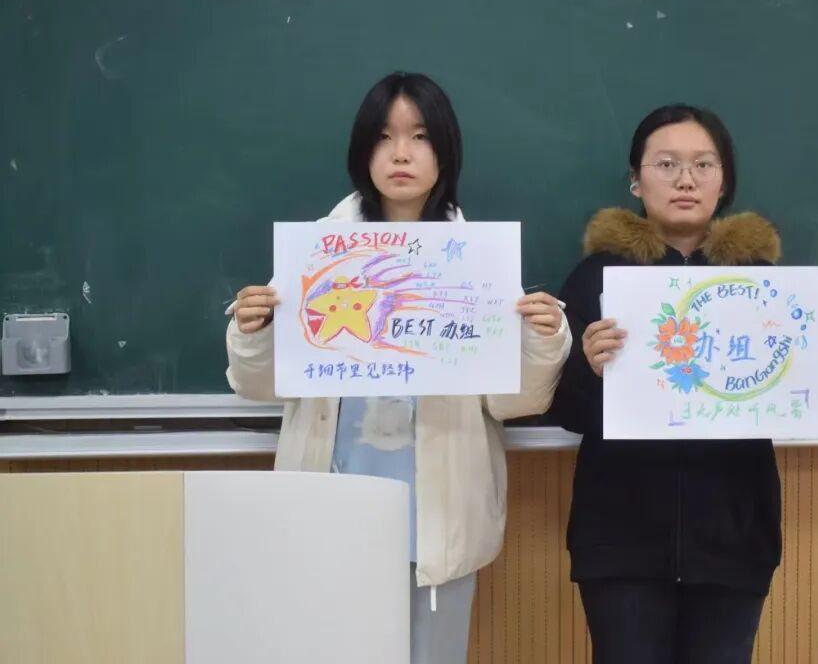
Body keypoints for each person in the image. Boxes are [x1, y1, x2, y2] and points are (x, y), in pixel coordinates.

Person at [226, 72, 571, 664]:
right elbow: (259, 385)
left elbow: (514, 401)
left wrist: (544, 339)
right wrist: (251, 331)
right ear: (363, 152)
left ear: (445, 151)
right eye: (384, 138)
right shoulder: (317, 254)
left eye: (420, 137)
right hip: (333, 506)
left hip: (438, 519)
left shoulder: (477, 263)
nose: (402, 153)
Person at [549, 104, 818, 664]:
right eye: (666, 164)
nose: (685, 180)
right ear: (636, 180)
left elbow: (788, 396)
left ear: (724, 182)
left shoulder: (765, 285)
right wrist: (589, 369)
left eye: (703, 165)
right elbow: (567, 410)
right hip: (621, 537)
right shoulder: (598, 277)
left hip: (734, 536)